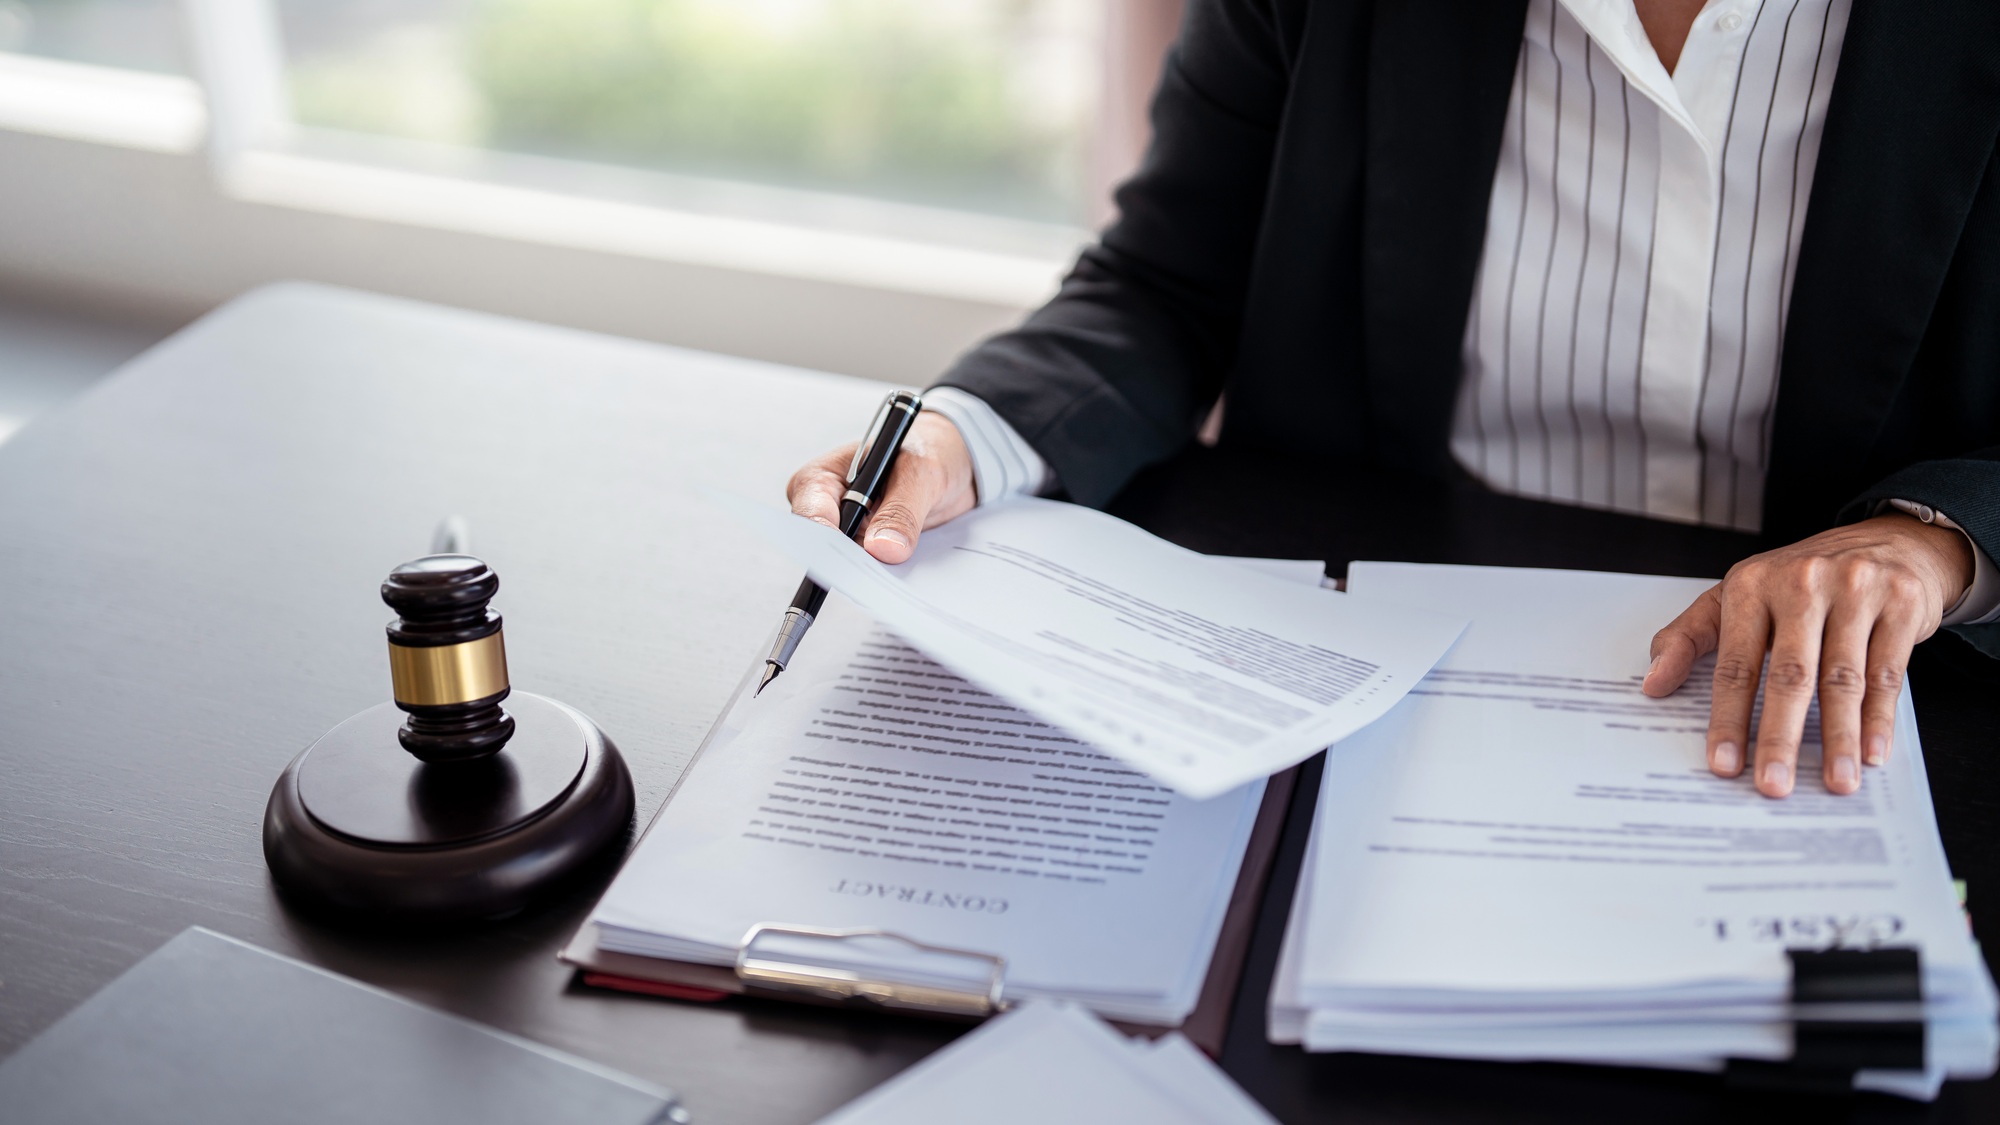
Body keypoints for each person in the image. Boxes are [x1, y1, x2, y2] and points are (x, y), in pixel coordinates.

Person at [787, 0, 2000, 800]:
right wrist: (966, 432)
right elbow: (1163, 286)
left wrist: (1931, 543)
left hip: (1845, 727)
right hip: (1353, 687)